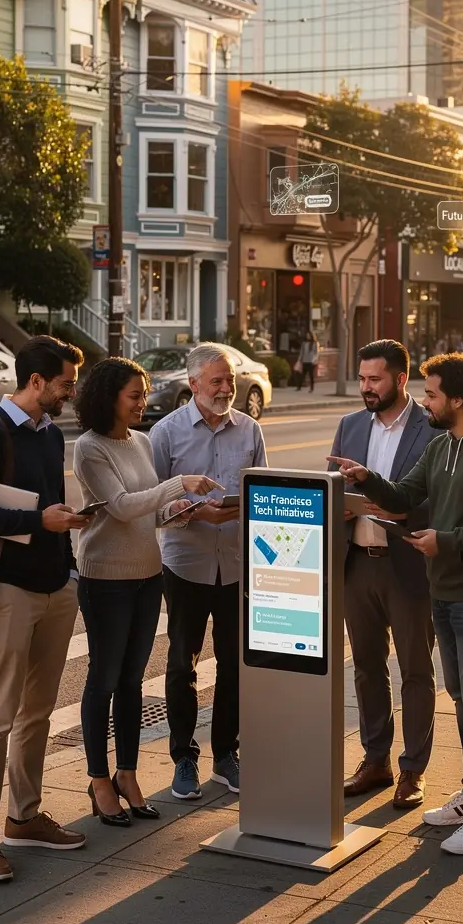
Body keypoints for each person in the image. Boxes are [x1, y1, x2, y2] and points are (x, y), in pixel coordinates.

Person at [331, 353, 463, 855]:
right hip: (441, 589)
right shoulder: (442, 445)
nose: (426, 401)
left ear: (457, 400)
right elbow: (403, 493)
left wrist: (450, 540)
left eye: (433, 393)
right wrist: (364, 479)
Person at [0, 335, 90, 883]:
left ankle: (24, 816)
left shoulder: (51, 434)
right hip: (6, 589)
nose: (69, 394)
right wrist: (40, 525)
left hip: (56, 587)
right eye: (64, 384)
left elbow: (49, 505)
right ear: (36, 382)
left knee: (38, 713)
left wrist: (68, 555)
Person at [73, 358, 220, 826]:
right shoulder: (90, 448)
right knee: (105, 679)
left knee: (134, 683)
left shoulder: (139, 441)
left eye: (143, 394)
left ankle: (128, 775)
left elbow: (148, 511)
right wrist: (178, 483)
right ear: (108, 398)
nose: (142, 403)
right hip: (105, 578)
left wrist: (177, 508)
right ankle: (99, 780)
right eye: (134, 396)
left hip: (146, 575)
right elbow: (119, 507)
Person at [151, 343, 268, 801]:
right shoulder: (165, 434)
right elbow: (151, 507)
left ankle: (226, 755)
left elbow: (263, 490)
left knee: (236, 665)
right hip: (186, 565)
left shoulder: (250, 430)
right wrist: (197, 514)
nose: (225, 389)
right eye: (216, 381)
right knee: (183, 663)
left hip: (237, 563)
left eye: (230, 381)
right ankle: (183, 756)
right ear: (194, 383)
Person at [330, 340, 437, 810]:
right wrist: (343, 509)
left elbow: (438, 497)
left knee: (415, 670)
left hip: (409, 566)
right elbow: (330, 487)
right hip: (359, 564)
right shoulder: (350, 425)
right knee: (368, 669)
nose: (365, 388)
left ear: (399, 379)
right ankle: (376, 760)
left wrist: (396, 506)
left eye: (374, 379)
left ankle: (412, 770)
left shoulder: (430, 428)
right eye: (362, 378)